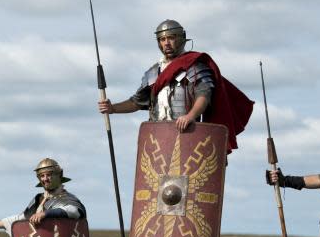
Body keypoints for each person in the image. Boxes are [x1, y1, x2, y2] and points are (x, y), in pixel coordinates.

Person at [96, 20, 253, 152]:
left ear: (181, 38)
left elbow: (204, 95)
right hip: (159, 138)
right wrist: (113, 109)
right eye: (162, 39)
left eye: (171, 38)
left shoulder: (194, 66)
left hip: (188, 135)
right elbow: (137, 102)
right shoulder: (153, 73)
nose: (166, 43)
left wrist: (190, 116)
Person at [0, 158, 86, 235]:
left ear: (59, 175)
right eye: (42, 176)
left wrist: (45, 214)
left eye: (49, 175)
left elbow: (73, 211)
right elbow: (19, 219)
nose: (45, 179)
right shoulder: (39, 199)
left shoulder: (68, 199)